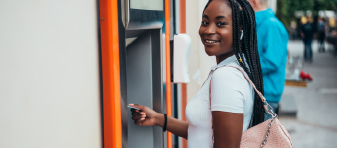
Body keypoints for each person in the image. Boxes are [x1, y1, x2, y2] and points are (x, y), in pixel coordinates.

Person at [129, 0, 265, 147]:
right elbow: (205, 133)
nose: (208, 30)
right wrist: (158, 119)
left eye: (220, 24)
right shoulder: (239, 67)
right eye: (205, 22)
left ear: (240, 30)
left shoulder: (226, 77)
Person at [247, 0, 288, 120]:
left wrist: (243, 66)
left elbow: (272, 61)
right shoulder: (260, 23)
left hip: (265, 96)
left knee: (260, 138)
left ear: (254, 2)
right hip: (260, 93)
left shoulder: (271, 25)